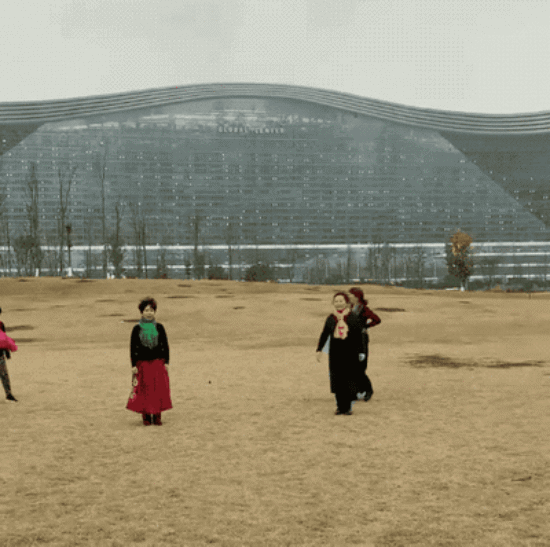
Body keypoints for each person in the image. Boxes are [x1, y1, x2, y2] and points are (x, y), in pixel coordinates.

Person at [316, 292, 364, 415]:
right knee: (337, 379)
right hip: (335, 353)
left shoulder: (352, 317)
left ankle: (347, 408)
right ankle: (339, 407)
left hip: (350, 353)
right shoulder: (331, 318)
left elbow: (359, 336)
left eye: (341, 301)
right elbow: (324, 334)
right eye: (336, 301)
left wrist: (361, 351)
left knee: (348, 379)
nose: (338, 303)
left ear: (346, 302)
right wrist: (319, 349)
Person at [126, 297, 172, 425]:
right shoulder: (136, 329)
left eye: (151, 310)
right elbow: (133, 347)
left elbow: (165, 345)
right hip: (142, 363)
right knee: (144, 390)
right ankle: (146, 416)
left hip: (157, 362)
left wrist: (166, 362)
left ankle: (157, 416)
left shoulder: (160, 327)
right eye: (146, 310)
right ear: (142, 312)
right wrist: (133, 365)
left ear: (154, 311)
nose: (149, 313)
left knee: (158, 389)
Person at [348, 287, 381, 402]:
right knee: (351, 367)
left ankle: (368, 390)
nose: (349, 296)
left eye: (351, 295)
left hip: (361, 340)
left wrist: (365, 326)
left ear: (357, 297)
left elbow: (377, 319)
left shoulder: (363, 309)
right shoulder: (351, 307)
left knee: (360, 368)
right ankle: (356, 391)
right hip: (351, 339)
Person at [0, 307, 18, 402]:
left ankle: (8, 394)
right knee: (4, 374)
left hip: (0, 354)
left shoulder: (1, 324)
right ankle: (8, 394)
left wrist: (7, 352)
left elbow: (4, 339)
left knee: (4, 374)